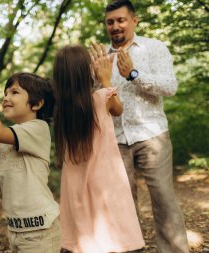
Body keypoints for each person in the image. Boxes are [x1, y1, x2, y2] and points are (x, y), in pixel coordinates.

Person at [90, 1, 190, 252]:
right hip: (114, 138)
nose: (115, 26)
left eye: (121, 20)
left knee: (164, 200)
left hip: (151, 134)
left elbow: (170, 86)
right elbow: (93, 99)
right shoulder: (100, 57)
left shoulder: (153, 48)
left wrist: (134, 74)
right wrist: (95, 79)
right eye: (110, 22)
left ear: (134, 20)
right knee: (122, 204)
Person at [53, 44, 145, 253]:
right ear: (87, 71)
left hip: (74, 181)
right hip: (105, 178)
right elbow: (119, 109)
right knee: (110, 233)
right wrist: (104, 78)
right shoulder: (102, 97)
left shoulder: (62, 109)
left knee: (84, 232)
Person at [0, 64, 60, 252]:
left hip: (40, 231)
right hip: (15, 229)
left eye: (14, 92)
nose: (6, 97)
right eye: (5, 93)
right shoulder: (10, 136)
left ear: (37, 104)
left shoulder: (38, 128)